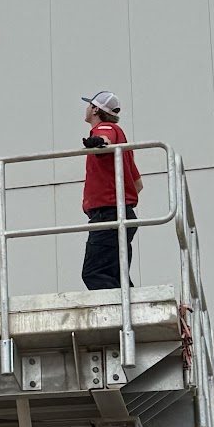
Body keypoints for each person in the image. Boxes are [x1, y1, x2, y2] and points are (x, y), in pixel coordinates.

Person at [79, 91, 142, 292]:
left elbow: (105, 138)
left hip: (109, 214)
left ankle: (120, 312)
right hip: (122, 213)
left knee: (95, 273)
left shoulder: (104, 128)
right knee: (116, 276)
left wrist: (99, 143)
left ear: (95, 109)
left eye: (89, 105)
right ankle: (132, 309)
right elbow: (138, 184)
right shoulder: (123, 147)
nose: (86, 108)